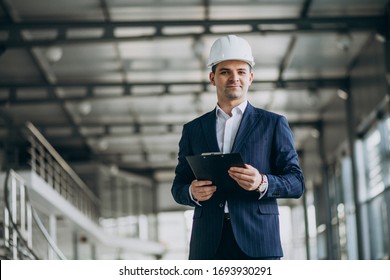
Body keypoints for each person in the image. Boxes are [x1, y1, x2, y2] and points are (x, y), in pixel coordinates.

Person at [171, 35, 305, 260]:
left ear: (250, 77)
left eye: (241, 72)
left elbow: (297, 182)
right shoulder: (193, 130)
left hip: (259, 241)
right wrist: (191, 192)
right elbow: (178, 186)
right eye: (225, 72)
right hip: (208, 245)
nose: (234, 78)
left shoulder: (273, 124)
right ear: (212, 78)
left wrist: (262, 182)